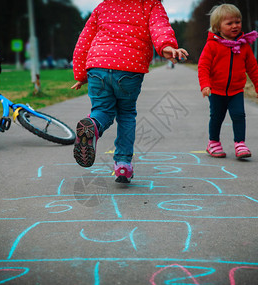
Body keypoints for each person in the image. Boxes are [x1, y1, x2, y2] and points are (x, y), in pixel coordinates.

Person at [71, 0, 188, 183]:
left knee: (102, 110)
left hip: (97, 67)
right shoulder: (150, 4)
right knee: (126, 114)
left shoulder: (104, 6)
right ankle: (123, 164)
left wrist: (80, 74)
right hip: (129, 68)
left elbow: (84, 40)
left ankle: (93, 125)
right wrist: (167, 46)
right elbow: (159, 27)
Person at [198, 4, 258, 159]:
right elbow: (203, 67)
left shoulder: (244, 45)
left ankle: (240, 143)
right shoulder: (212, 46)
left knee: (239, 115)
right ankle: (213, 142)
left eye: (238, 22)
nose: (235, 26)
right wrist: (205, 85)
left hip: (236, 90)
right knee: (217, 116)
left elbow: (252, 67)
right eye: (229, 23)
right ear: (218, 27)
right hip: (216, 90)